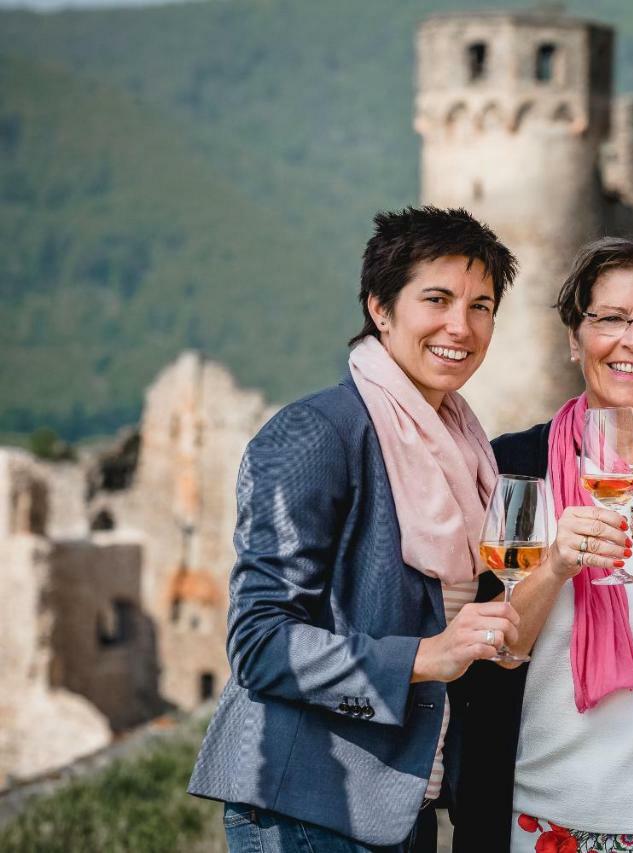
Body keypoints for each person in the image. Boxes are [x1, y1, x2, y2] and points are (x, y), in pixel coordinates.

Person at [188, 206, 521, 853]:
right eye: (438, 298)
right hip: (309, 802)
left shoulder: (467, 449)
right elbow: (260, 644)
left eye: (481, 305)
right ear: (381, 307)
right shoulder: (317, 432)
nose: (462, 325)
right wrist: (428, 656)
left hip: (402, 799)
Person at [451, 238, 633, 852]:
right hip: (532, 819)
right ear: (574, 339)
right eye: (609, 318)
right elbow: (487, 654)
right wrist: (555, 565)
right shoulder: (511, 468)